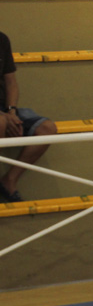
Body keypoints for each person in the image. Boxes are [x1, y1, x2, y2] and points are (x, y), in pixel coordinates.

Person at [0, 32, 58, 203]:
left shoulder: (2, 39)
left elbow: (11, 82)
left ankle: (9, 180)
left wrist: (11, 111)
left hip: (4, 108)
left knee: (47, 129)